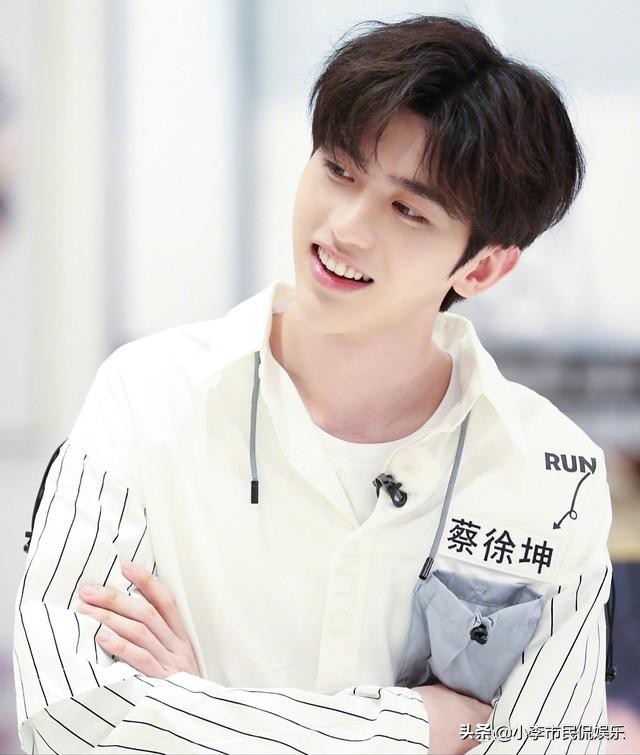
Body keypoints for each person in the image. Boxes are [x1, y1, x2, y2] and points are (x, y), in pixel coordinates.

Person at [14, 14, 613, 755]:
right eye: (338, 170)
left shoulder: (552, 475)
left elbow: (559, 743)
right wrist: (421, 727)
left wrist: (197, 712)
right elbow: (69, 720)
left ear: (484, 266)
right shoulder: (145, 398)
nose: (345, 228)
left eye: (407, 210)